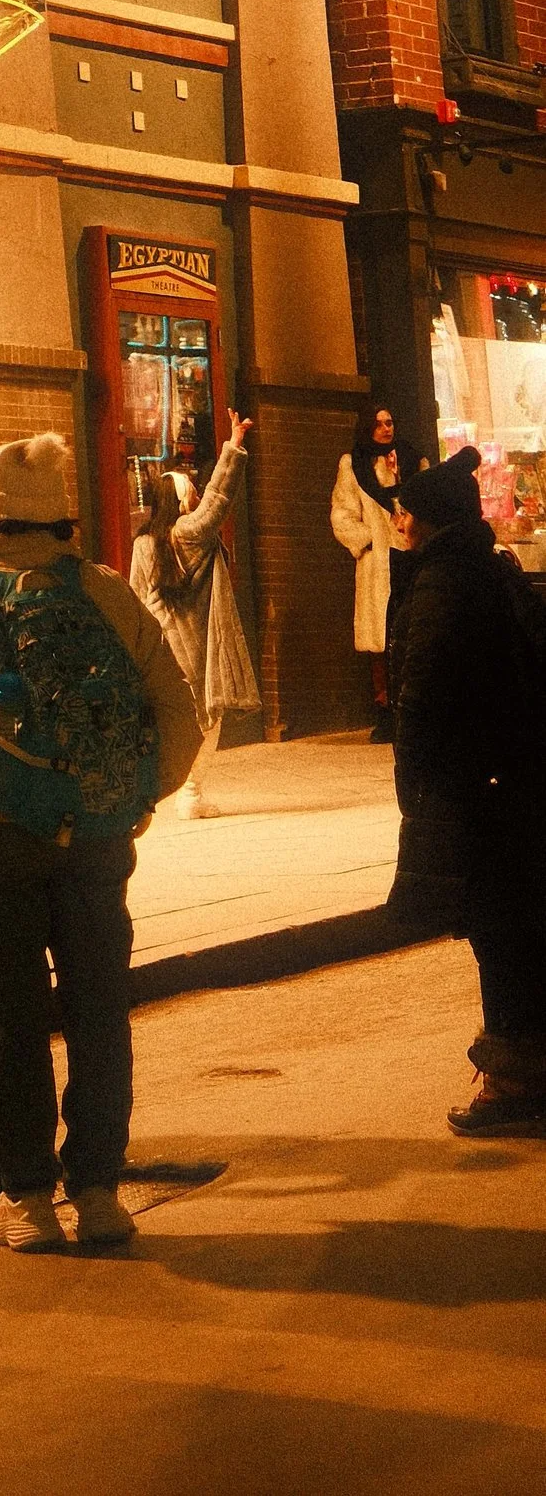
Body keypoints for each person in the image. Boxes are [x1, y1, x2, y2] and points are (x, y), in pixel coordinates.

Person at [0, 430, 201, 1256]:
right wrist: (133, 797)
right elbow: (177, 713)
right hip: (95, 833)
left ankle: (25, 1198)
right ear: (59, 515)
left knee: (9, 1014)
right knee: (100, 1008)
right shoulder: (105, 594)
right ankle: (98, 1192)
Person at [388, 447, 546, 1135]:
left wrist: (411, 780)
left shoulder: (442, 583)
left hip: (477, 788)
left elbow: (421, 692)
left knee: (498, 935)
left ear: (426, 521)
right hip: (515, 779)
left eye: (403, 511)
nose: (396, 520)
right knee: (519, 929)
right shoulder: (486, 568)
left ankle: (511, 1082)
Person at [129, 417, 259, 816]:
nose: (199, 497)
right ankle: (190, 792)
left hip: (159, 643)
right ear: (184, 501)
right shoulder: (189, 533)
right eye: (193, 494)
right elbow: (220, 498)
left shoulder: (144, 541)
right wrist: (232, 446)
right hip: (192, 643)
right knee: (206, 719)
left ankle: (169, 789)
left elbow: (133, 598)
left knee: (171, 718)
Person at [332, 403, 410, 739]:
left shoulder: (409, 459)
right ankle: (385, 711)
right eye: (378, 423)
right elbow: (343, 513)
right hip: (377, 564)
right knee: (380, 642)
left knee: (408, 637)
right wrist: (367, 541)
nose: (385, 429)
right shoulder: (353, 465)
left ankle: (411, 711)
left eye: (390, 422)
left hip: (409, 556)